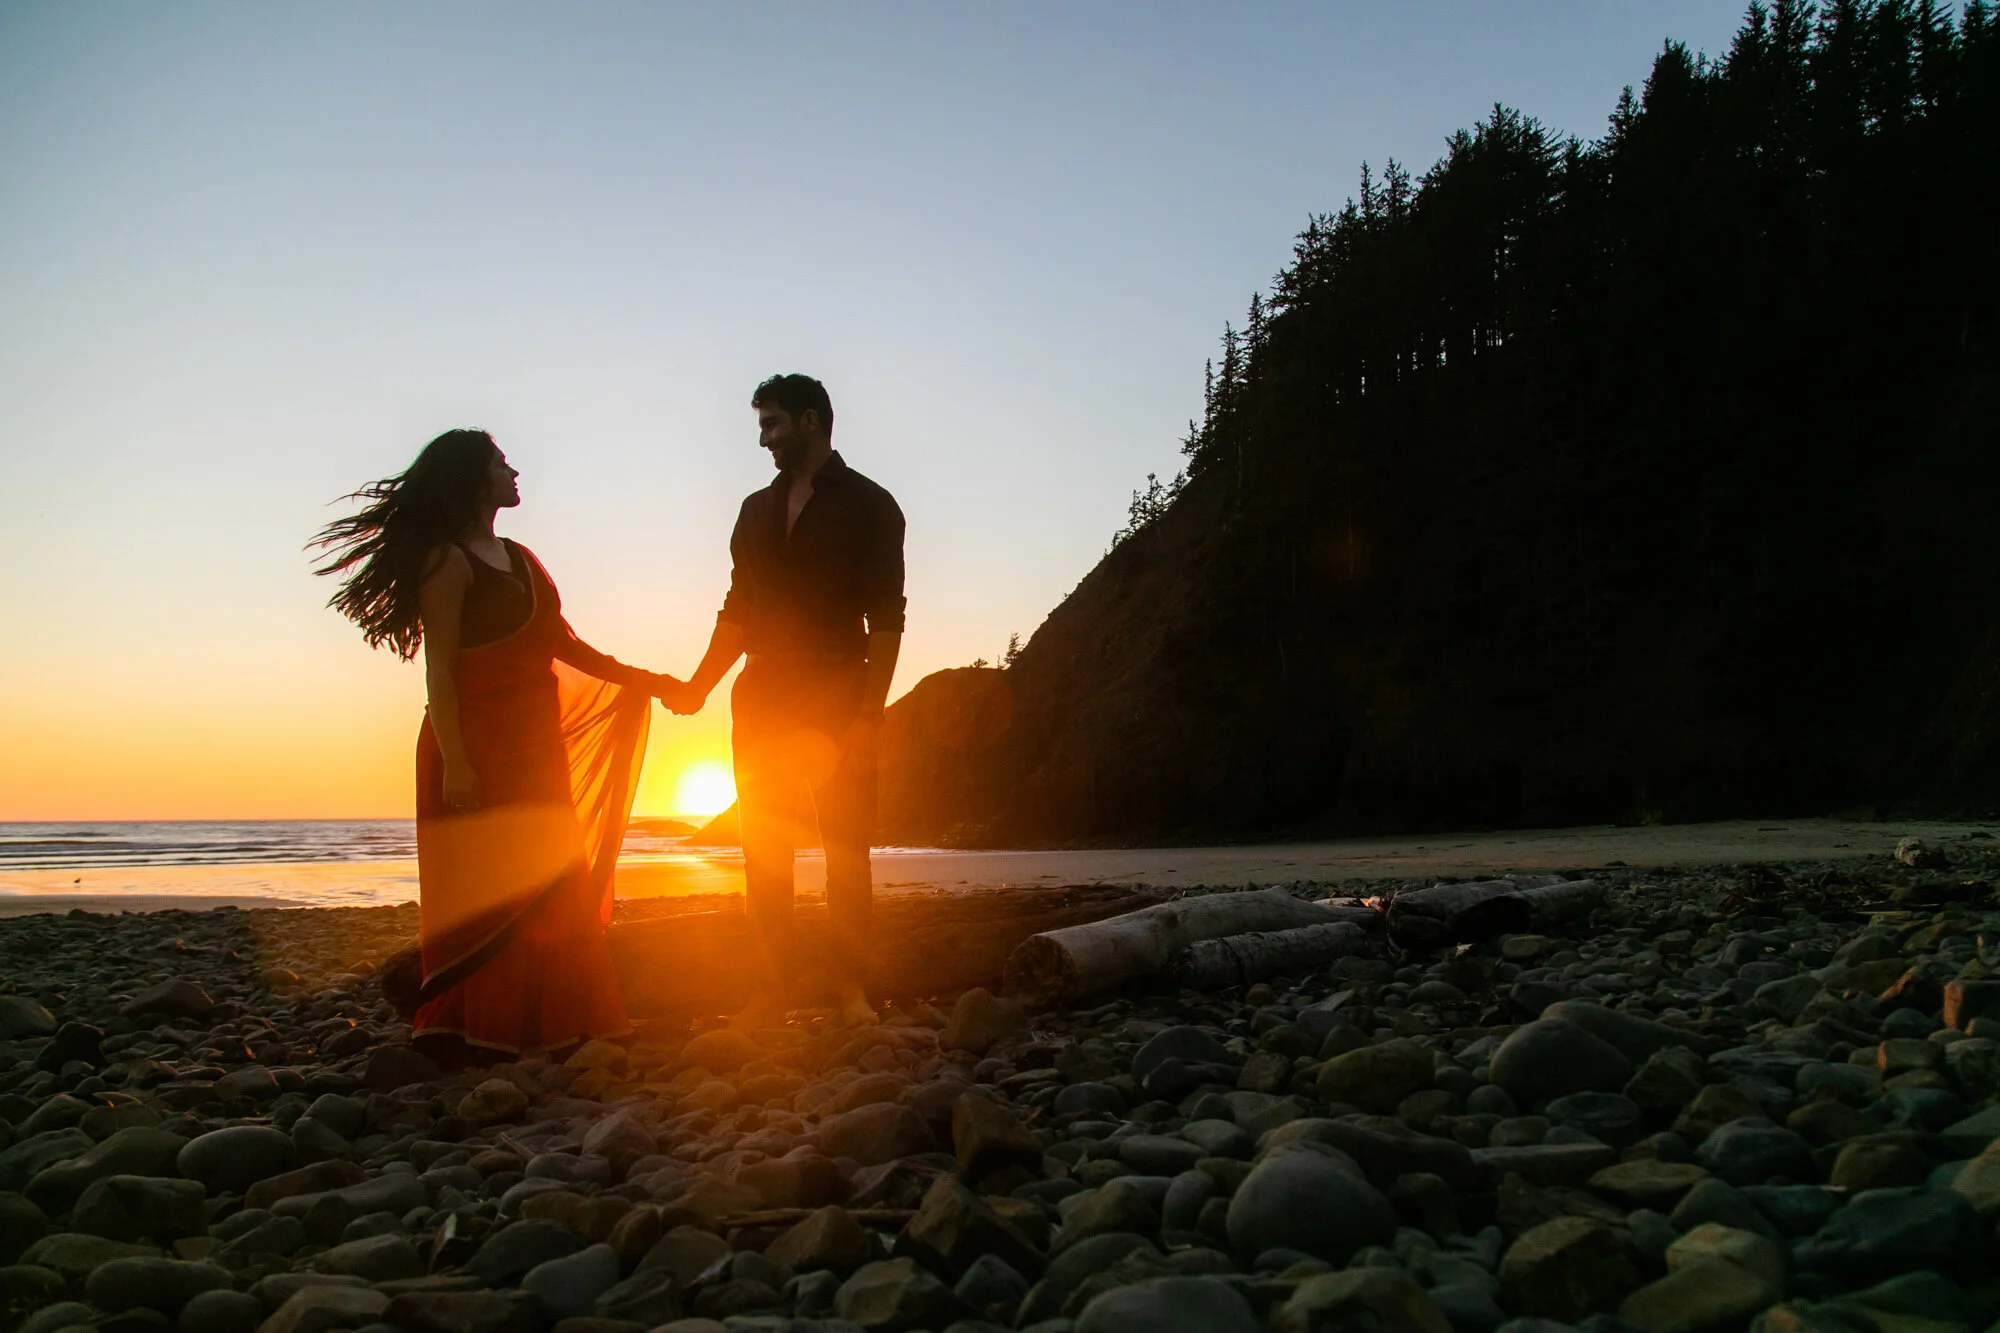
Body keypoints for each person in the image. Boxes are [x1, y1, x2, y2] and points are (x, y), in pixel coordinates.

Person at [313, 428, 678, 1063]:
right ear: (475, 480)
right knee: (486, 889)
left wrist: (648, 681)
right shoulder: (447, 561)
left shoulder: (522, 556)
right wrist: (456, 762)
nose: (514, 472)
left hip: (534, 747)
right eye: (501, 464)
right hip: (472, 749)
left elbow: (564, 645)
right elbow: (441, 671)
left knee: (553, 879)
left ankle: (560, 1022)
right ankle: (479, 1028)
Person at [667, 375, 905, 1028]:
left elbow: (887, 618)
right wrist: (699, 683)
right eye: (761, 427)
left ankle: (852, 990)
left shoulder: (872, 505)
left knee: (846, 849)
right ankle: (768, 993)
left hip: (838, 691)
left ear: (810, 421)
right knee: (763, 852)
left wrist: (869, 714)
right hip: (763, 696)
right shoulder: (753, 511)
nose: (764, 439)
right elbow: (738, 609)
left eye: (773, 425)